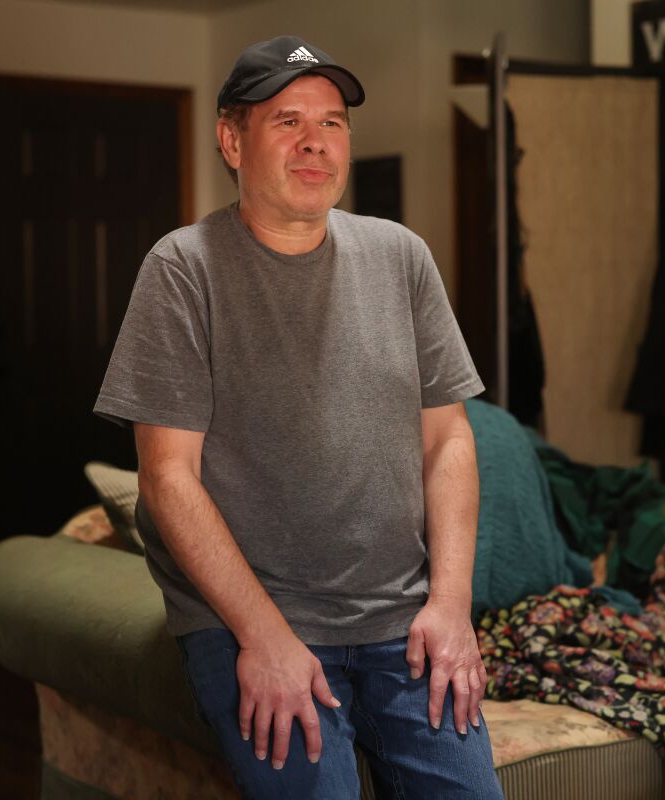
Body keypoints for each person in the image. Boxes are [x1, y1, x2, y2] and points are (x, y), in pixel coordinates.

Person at [94, 35, 503, 799]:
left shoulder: (402, 256)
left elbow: (448, 439)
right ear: (231, 141)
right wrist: (263, 637)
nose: (316, 141)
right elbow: (167, 478)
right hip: (250, 619)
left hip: (401, 619)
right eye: (288, 121)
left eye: (333, 122)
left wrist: (451, 605)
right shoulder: (182, 268)